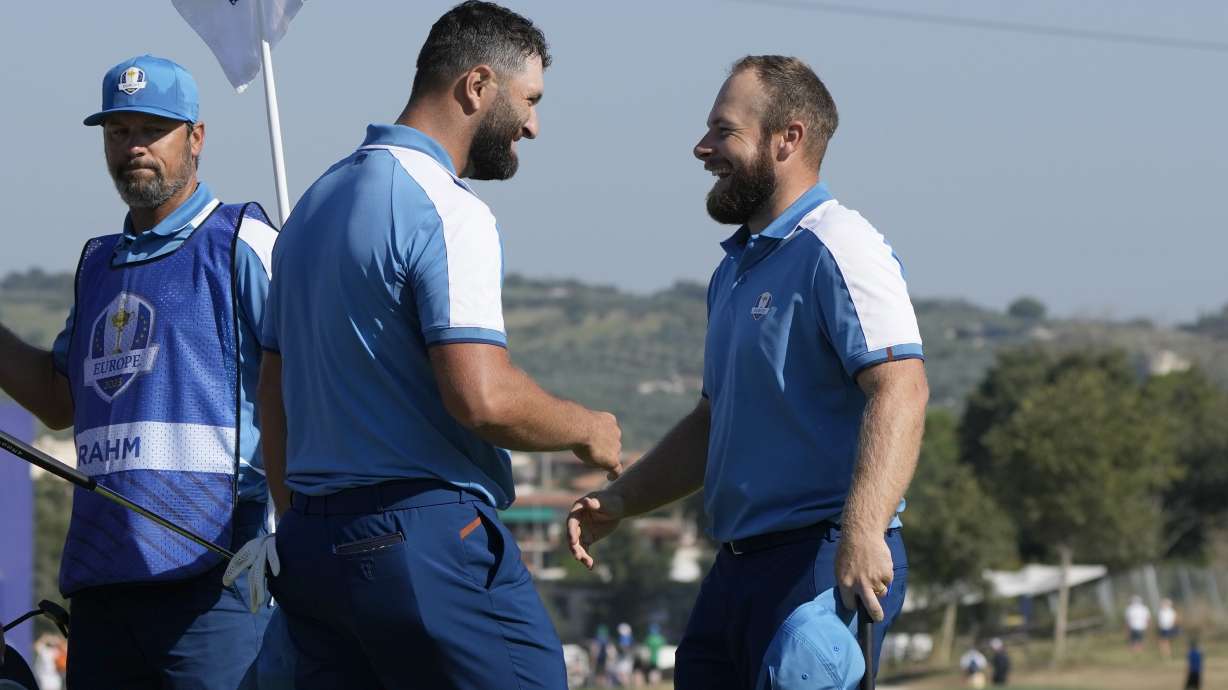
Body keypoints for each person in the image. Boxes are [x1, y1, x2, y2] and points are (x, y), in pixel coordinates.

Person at [250, 3, 622, 688]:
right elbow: (480, 398)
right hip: (419, 542)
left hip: (311, 543)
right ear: (477, 87)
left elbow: (273, 387)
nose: (534, 126)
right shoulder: (447, 209)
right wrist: (588, 428)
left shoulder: (313, 204)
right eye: (530, 101)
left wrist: (297, 518)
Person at [567, 55, 928, 690]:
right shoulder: (734, 271)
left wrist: (865, 530)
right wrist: (622, 500)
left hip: (822, 557)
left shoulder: (840, 244)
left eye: (723, 130)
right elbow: (713, 422)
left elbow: (903, 386)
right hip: (736, 568)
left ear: (787, 138)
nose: (702, 147)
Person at [0, 54, 279, 689]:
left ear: (196, 137)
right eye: (118, 132)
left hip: (218, 576)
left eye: (152, 129)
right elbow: (58, 400)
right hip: (104, 581)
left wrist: (300, 529)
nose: (134, 147)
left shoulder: (242, 241)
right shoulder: (98, 263)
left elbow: (318, 383)